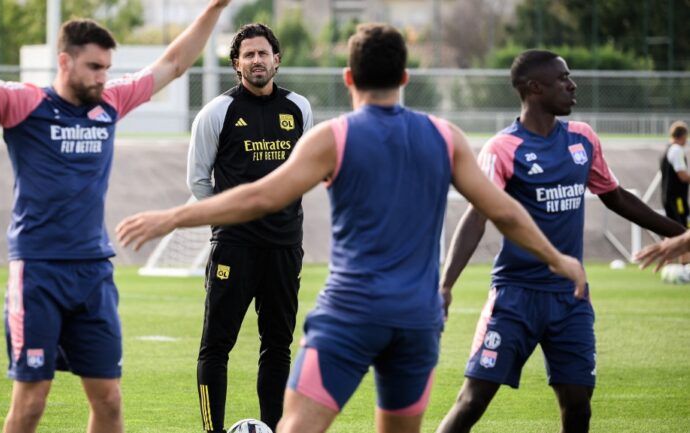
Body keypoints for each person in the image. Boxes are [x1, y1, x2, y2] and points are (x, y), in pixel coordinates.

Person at [116, 25, 586, 433]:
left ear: (348, 79)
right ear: (404, 78)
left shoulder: (332, 137)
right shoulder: (446, 137)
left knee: (295, 422)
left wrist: (173, 217)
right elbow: (503, 211)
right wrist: (559, 258)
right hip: (416, 318)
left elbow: (261, 196)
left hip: (350, 316)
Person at [0, 0, 231, 432]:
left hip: (93, 273)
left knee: (109, 400)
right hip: (38, 272)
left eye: (107, 67)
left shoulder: (109, 102)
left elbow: (173, 63)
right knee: (32, 401)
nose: (102, 77)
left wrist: (215, 7)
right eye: (94, 66)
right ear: (64, 61)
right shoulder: (26, 104)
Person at [435, 49, 687, 433]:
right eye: (563, 79)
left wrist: (681, 234)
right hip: (515, 297)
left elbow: (615, 196)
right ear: (535, 88)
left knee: (578, 405)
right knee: (472, 400)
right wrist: (446, 285)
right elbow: (477, 216)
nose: (573, 86)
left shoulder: (582, 139)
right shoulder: (504, 149)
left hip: (571, 298)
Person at [184, 23, 312, 433]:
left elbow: (305, 172)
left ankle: (275, 428)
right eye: (248, 55)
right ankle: (212, 430)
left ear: (277, 59)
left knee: (277, 347)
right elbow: (198, 181)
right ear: (236, 64)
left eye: (264, 53)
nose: (257, 60)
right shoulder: (216, 113)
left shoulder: (299, 109)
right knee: (216, 347)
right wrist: (229, 217)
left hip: (284, 248)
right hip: (234, 248)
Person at [660, 121, 690, 227]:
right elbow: (682, 175)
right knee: (681, 229)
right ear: (683, 136)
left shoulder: (669, 148)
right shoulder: (677, 150)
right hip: (677, 199)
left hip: (669, 197)